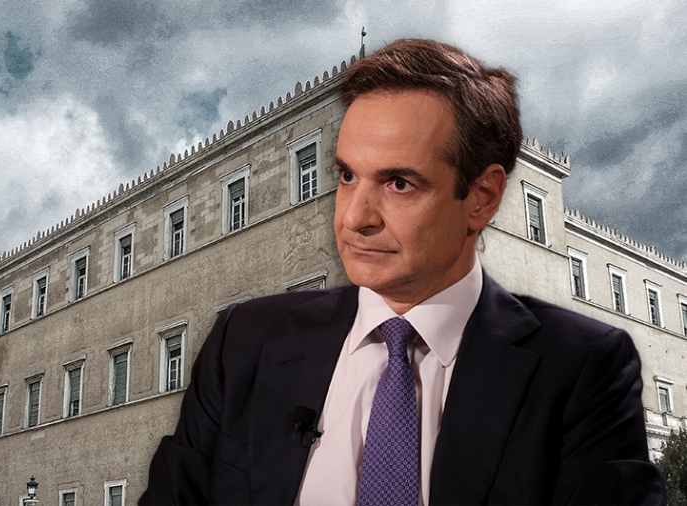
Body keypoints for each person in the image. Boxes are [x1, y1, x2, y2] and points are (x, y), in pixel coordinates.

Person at [139, 39, 663, 505]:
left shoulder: (581, 369)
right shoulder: (242, 344)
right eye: (346, 176)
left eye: (400, 184)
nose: (354, 218)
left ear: (482, 198)